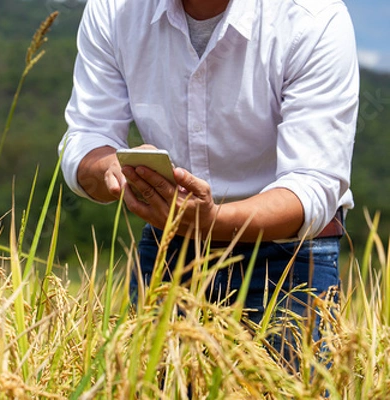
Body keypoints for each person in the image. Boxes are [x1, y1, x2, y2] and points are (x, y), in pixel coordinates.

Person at [58, 0, 359, 365]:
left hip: (290, 255)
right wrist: (114, 167)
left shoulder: (313, 15)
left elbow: (314, 182)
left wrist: (213, 220)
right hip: (171, 249)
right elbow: (88, 134)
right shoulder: (114, 8)